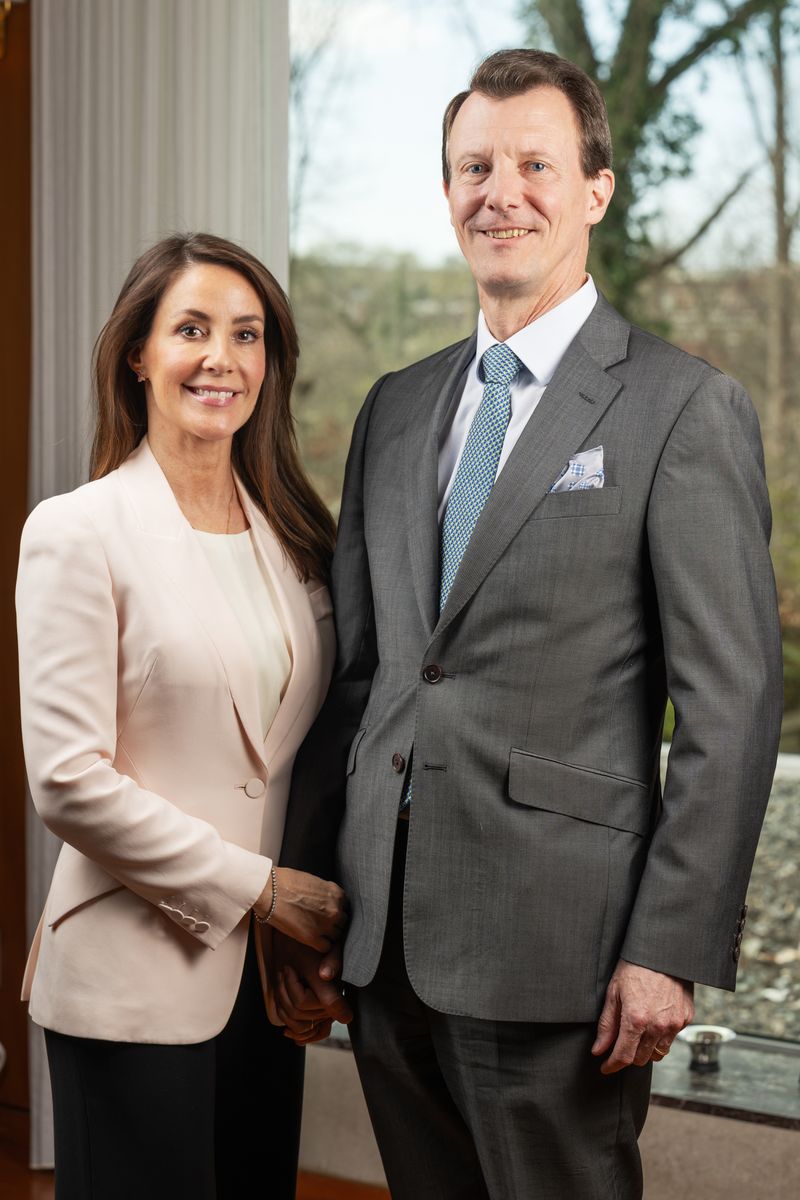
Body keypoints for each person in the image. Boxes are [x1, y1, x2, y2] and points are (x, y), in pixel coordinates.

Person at [274, 48, 784, 1199]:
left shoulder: (681, 408)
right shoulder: (395, 408)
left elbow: (731, 705)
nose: (499, 193)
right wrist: (312, 894)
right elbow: (363, 680)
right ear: (446, 190)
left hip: (564, 952)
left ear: (594, 189)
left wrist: (666, 946)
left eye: (533, 165)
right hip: (386, 942)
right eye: (474, 167)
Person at [16, 232, 352, 1200]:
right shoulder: (77, 531)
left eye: (246, 335)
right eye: (192, 330)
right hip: (130, 977)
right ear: (138, 353)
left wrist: (298, 930)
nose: (221, 359)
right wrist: (263, 891)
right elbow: (68, 781)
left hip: (262, 985)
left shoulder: (295, 539)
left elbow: (302, 753)